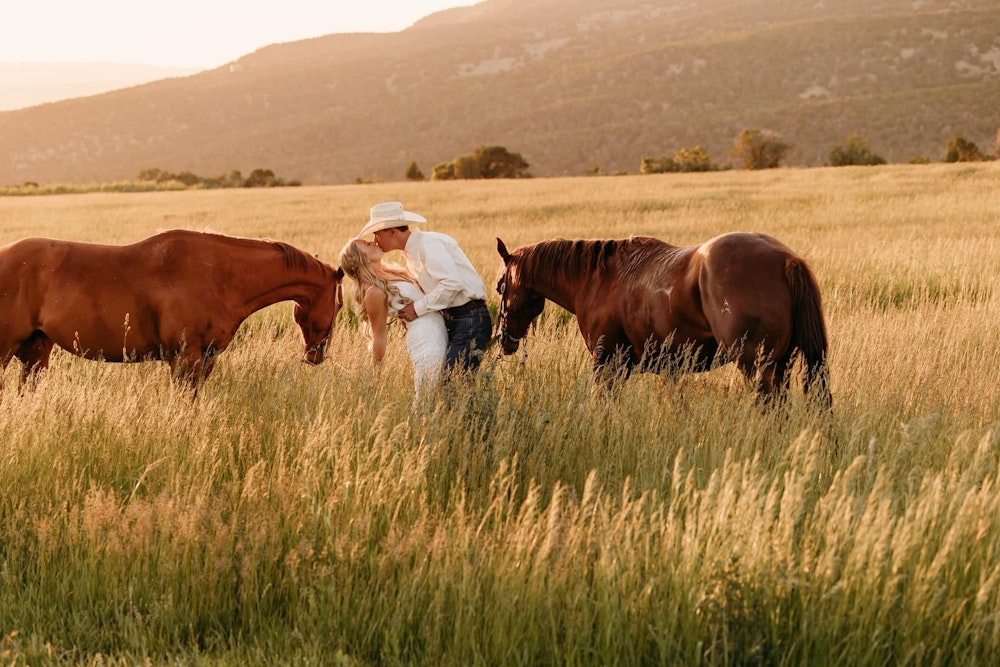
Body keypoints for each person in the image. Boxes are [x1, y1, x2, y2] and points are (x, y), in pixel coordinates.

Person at [357, 201, 492, 375]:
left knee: (452, 382)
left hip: (470, 318)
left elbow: (452, 284)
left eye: (377, 234)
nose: (375, 241)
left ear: (391, 231)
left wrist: (416, 308)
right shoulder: (411, 254)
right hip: (456, 321)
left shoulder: (429, 244)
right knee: (456, 385)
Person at [338, 237, 447, 400]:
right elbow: (379, 337)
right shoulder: (373, 292)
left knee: (445, 395)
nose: (374, 242)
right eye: (367, 245)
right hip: (425, 342)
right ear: (361, 258)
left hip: (441, 331)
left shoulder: (391, 273)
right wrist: (377, 376)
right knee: (427, 399)